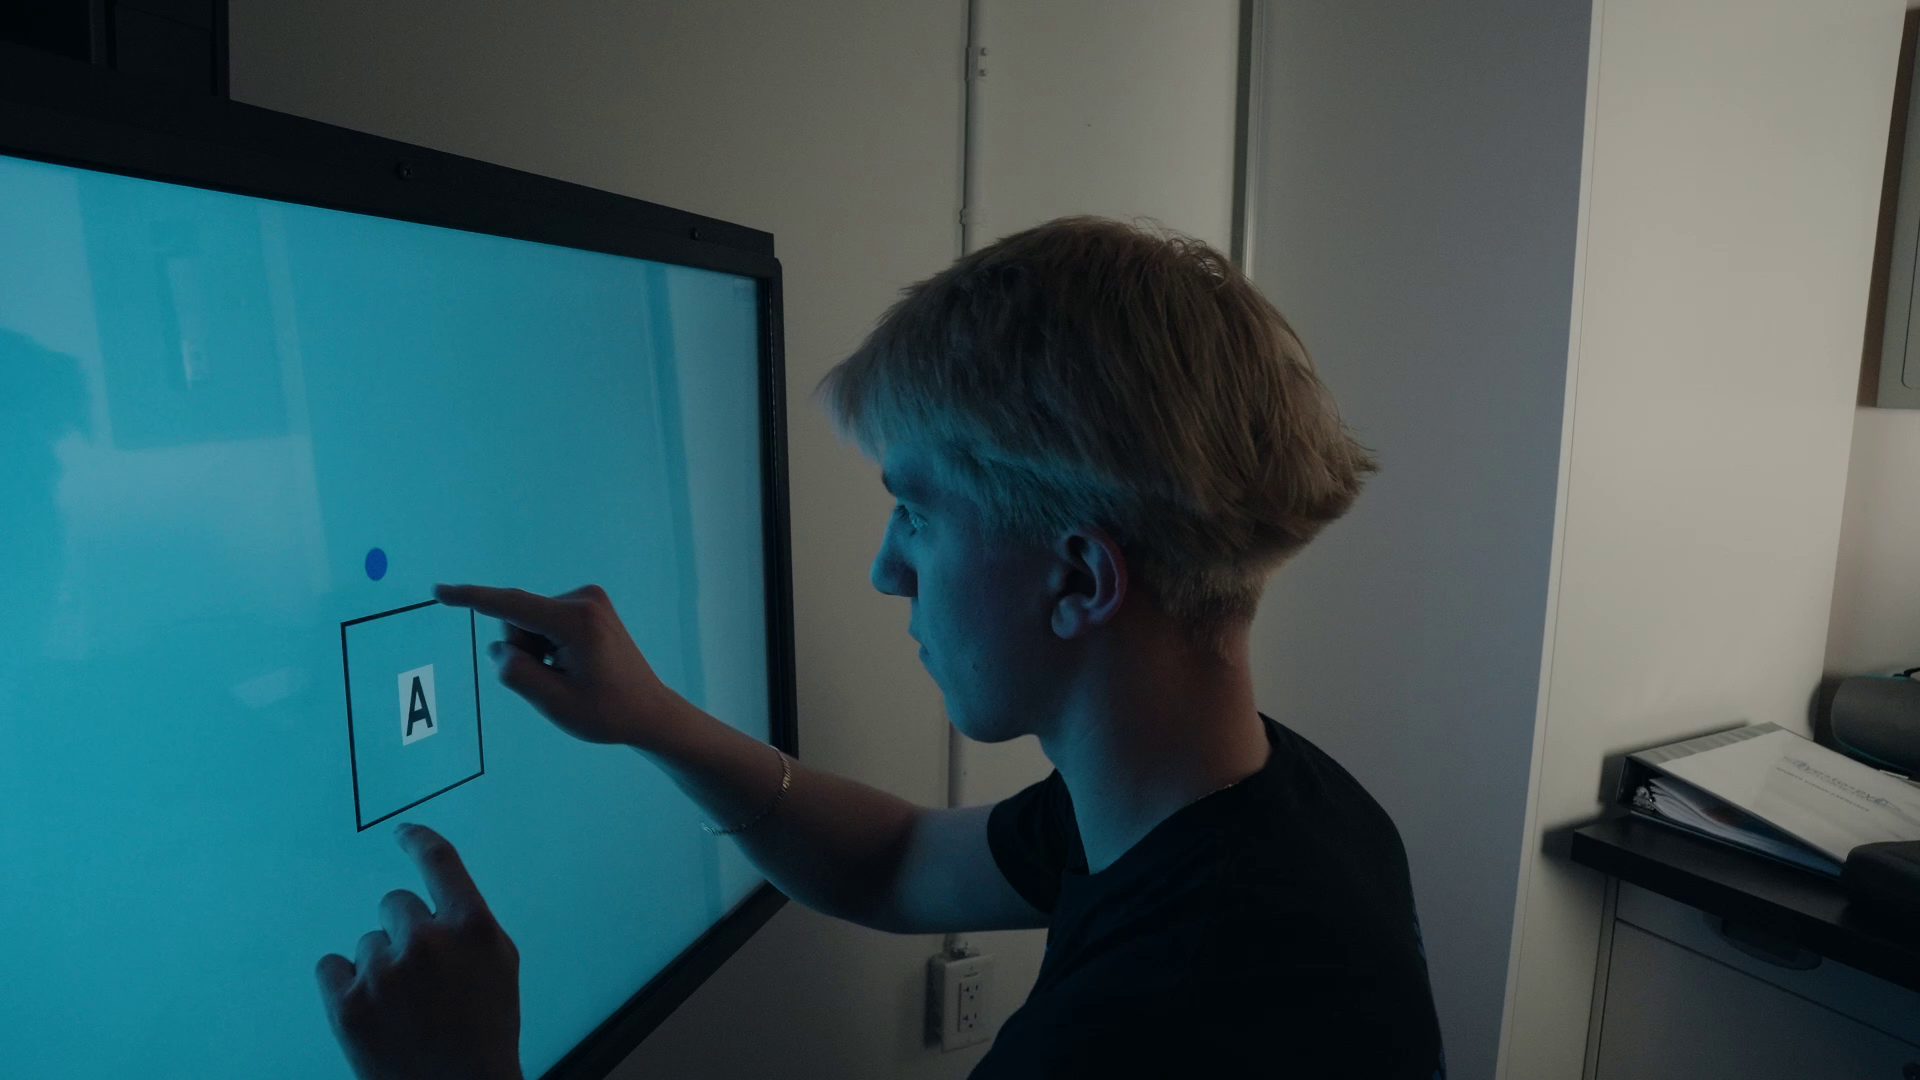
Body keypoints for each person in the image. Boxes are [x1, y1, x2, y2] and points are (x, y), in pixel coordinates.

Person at [318, 217, 1445, 1078]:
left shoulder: (1173, 1020)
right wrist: (653, 717)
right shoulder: (1263, 806)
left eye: (917, 513)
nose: (887, 570)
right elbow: (894, 862)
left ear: (1080, 579)